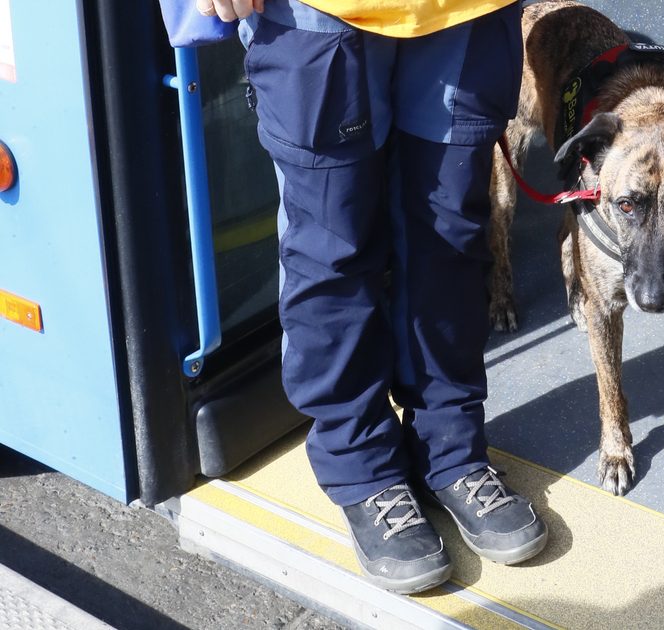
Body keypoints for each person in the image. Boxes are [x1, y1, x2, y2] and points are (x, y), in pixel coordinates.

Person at [200, 0, 547, 593]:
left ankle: (451, 448)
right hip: (319, 14)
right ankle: (361, 467)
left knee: (451, 239)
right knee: (330, 250)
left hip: (468, 12)